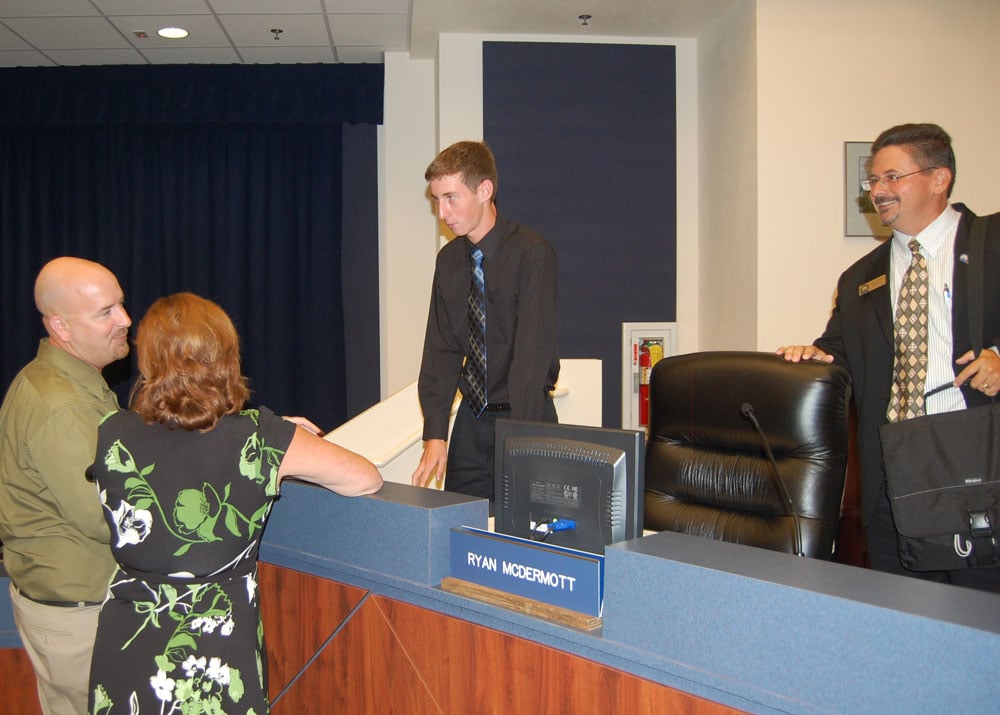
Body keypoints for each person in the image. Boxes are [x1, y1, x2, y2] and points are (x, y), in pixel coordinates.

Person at [86, 292, 382, 714]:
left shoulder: (111, 430)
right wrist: (280, 439)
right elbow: (365, 478)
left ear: (149, 361)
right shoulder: (258, 438)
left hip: (128, 641)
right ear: (226, 358)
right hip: (212, 652)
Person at [778, 123, 1000, 592]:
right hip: (894, 481)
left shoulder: (993, 243)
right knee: (904, 635)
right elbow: (838, 349)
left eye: (892, 177)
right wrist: (814, 355)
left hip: (982, 473)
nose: (877, 192)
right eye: (872, 181)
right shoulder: (860, 277)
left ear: (939, 178)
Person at [0, 257, 131, 715]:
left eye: (121, 305)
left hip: (71, 605)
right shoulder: (61, 405)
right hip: (80, 614)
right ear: (61, 326)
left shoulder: (67, 381)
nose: (125, 321)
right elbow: (108, 517)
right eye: (106, 313)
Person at [411, 140, 560, 504]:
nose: (442, 212)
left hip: (525, 419)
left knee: (527, 541)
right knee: (461, 534)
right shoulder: (448, 262)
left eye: (451, 197)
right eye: (437, 201)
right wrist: (435, 434)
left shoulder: (531, 253)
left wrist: (524, 441)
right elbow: (441, 352)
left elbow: (531, 359)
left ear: (485, 190)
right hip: (471, 424)